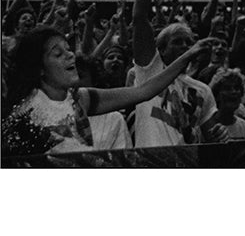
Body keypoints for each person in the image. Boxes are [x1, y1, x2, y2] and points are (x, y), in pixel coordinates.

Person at [2, 25, 213, 155]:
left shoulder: (80, 99)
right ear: (39, 68)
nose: (70, 56)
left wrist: (188, 55)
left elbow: (145, 91)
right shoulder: (24, 113)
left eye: (68, 50)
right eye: (58, 54)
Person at [131, 0, 230, 147]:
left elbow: (211, 138)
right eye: (177, 42)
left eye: (188, 42)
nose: (185, 46)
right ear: (161, 49)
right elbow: (139, 17)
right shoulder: (150, 72)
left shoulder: (202, 91)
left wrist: (219, 135)